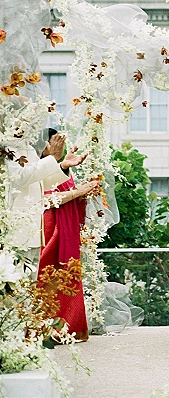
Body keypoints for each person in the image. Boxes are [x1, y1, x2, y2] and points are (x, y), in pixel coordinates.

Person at [37, 128, 100, 341]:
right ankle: (45, 328)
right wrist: (78, 192)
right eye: (54, 142)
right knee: (48, 275)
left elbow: (60, 190)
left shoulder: (55, 167)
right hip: (48, 229)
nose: (59, 146)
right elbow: (45, 199)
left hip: (63, 228)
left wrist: (65, 168)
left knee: (64, 275)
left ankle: (66, 326)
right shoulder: (33, 167)